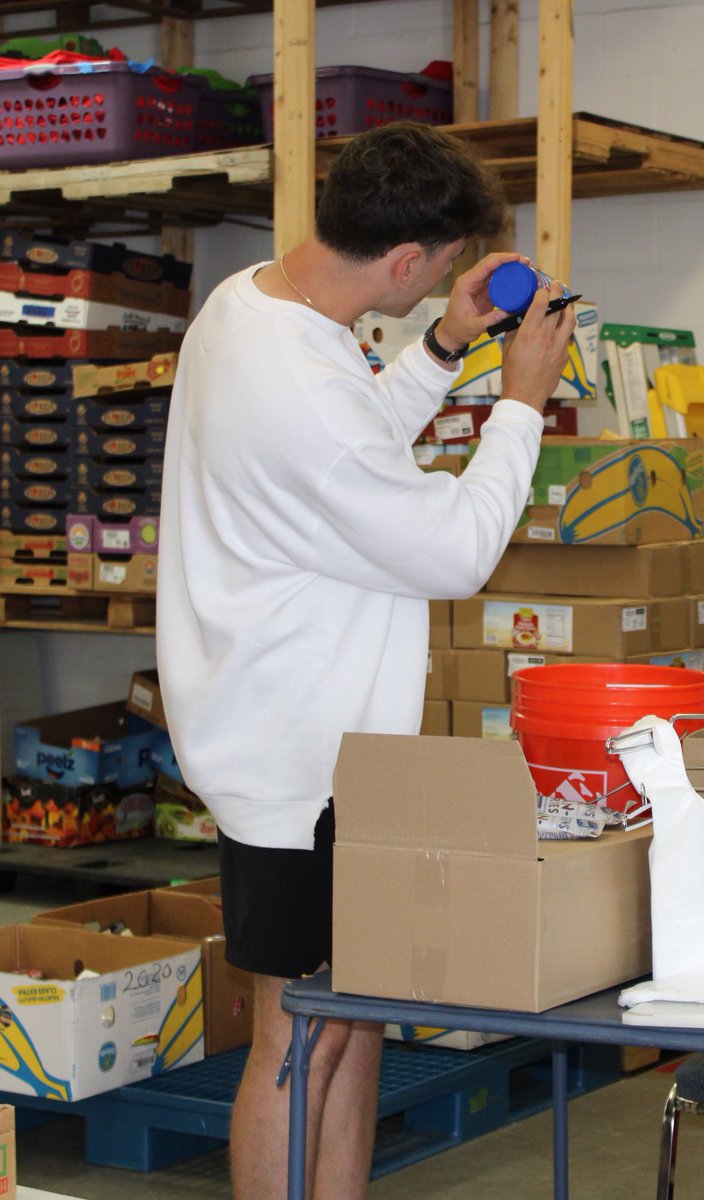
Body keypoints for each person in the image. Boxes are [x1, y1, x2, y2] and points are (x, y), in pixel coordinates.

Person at [156, 121, 576, 1200]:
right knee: (300, 1037)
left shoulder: (254, 305)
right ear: (402, 260)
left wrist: (444, 344)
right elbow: (454, 550)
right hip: (293, 761)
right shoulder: (298, 386)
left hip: (328, 744)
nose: (442, 277)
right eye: (439, 268)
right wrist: (521, 396)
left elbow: (348, 444)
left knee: (353, 1023)